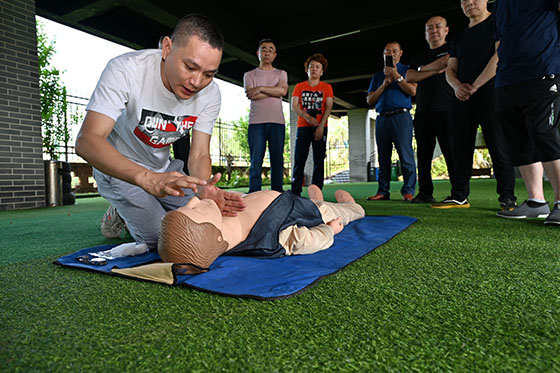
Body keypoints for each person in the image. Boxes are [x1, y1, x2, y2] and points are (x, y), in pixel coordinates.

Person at [75, 15, 245, 249]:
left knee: (205, 226)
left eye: (208, 74)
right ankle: (120, 212)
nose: (197, 82)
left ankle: (139, 203)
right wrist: (146, 178)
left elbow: (198, 155)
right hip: (121, 170)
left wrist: (206, 189)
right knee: (168, 241)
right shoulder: (126, 70)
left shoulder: (211, 94)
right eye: (190, 67)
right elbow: (87, 140)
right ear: (167, 48)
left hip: (166, 171)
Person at [157, 185, 365, 273]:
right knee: (334, 212)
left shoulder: (219, 220)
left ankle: (315, 198)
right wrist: (329, 230)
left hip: (292, 202)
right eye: (194, 209)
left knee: (314, 203)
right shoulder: (268, 239)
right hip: (310, 215)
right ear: (209, 232)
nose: (192, 200)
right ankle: (353, 207)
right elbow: (305, 242)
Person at [431, 0, 517, 210]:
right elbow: (451, 68)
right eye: (464, 0)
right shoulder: (460, 34)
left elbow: (498, 57)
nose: (469, 3)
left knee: (498, 144)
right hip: (461, 96)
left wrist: (475, 86)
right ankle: (459, 195)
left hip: (490, 92)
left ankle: (507, 197)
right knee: (460, 147)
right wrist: (458, 86)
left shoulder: (496, 23)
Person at [493, 0, 560, 224]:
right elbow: (500, 40)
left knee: (544, 133)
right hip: (507, 78)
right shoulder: (501, 4)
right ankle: (536, 202)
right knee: (518, 140)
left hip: (543, 69)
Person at [406, 16, 455, 204]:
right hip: (423, 112)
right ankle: (426, 192)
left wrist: (422, 72)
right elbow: (410, 76)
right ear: (425, 33)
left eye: (438, 27)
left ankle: (457, 192)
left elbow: (446, 62)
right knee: (423, 156)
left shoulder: (451, 48)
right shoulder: (419, 56)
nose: (434, 31)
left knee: (451, 152)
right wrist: (433, 70)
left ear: (446, 30)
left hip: (447, 109)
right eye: (429, 28)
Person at [367, 42, 417, 202]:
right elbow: (369, 100)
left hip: (401, 117)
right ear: (383, 55)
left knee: (406, 155)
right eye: (387, 52)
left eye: (394, 51)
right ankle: (383, 191)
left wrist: (397, 77)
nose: (391, 54)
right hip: (382, 118)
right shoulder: (377, 76)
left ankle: (408, 191)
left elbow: (413, 91)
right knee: (383, 157)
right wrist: (383, 85)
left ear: (400, 53)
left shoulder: (407, 70)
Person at [243, 38, 288, 193]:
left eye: (270, 49)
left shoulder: (281, 74)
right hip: (256, 123)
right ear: (258, 53)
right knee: (256, 162)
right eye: (264, 49)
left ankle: (277, 194)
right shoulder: (249, 75)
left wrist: (261, 88)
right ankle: (253, 194)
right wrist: (273, 89)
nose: (267, 52)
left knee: (277, 161)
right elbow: (251, 94)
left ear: (274, 55)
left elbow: (283, 91)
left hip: (277, 122)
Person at [291, 54, 333, 196]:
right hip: (303, 126)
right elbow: (295, 106)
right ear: (306, 70)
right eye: (311, 67)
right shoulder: (299, 86)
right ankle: (295, 191)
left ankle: (317, 191)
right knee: (299, 158)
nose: (314, 69)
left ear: (322, 71)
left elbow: (328, 107)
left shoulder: (326, 87)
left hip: (321, 127)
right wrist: (306, 117)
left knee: (319, 159)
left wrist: (321, 126)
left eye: (317, 67)